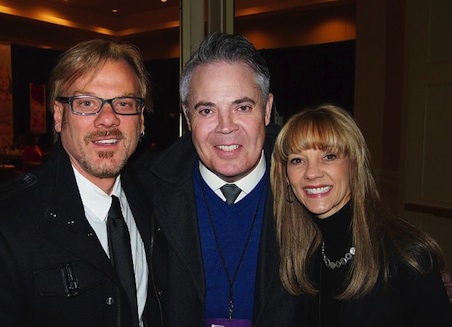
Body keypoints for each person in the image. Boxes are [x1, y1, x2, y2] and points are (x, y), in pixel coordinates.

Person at [0, 39, 160, 326]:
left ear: (141, 120)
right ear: (59, 116)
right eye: (86, 103)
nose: (108, 119)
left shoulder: (156, 202)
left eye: (124, 103)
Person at [141, 33, 302, 326]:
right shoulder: (144, 193)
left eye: (242, 107)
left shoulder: (309, 189)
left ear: (267, 110)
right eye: (207, 110)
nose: (226, 127)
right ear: (188, 117)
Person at [270, 104, 452, 326]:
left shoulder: (407, 257)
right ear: (286, 177)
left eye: (329, 156)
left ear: (355, 165)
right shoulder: (305, 256)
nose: (311, 173)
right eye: (297, 160)